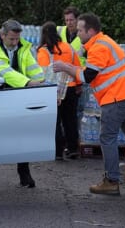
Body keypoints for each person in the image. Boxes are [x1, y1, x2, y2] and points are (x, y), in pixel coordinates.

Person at [53, 13, 125, 195]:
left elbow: (87, 77)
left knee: (107, 138)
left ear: (91, 31)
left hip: (117, 98)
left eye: (80, 30)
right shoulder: (102, 42)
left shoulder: (98, 47)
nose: (77, 33)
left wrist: (66, 67)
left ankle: (111, 181)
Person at [0, 19, 44, 188]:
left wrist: (43, 83)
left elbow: (33, 68)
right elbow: (4, 72)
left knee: (22, 133)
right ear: (3, 35)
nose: (15, 43)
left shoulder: (22, 45)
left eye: (17, 39)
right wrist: (28, 83)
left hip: (15, 92)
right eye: (11, 39)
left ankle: (24, 174)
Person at [37, 21, 82, 160]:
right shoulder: (68, 47)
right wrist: (79, 84)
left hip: (54, 90)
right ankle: (73, 148)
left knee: (55, 121)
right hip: (72, 87)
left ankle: (57, 151)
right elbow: (77, 66)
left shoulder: (43, 51)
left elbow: (43, 73)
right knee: (70, 120)